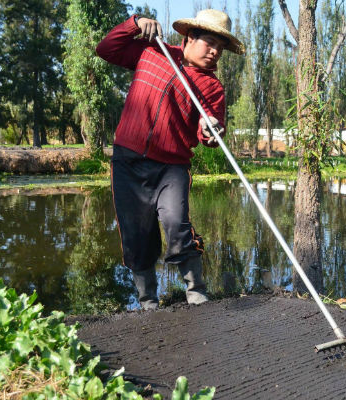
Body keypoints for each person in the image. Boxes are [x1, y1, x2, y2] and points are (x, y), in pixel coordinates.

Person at [96, 9, 245, 310]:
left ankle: (196, 288)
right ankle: (148, 300)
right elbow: (106, 49)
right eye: (210, 43)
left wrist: (211, 130)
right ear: (190, 37)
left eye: (221, 48)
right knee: (136, 232)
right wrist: (134, 24)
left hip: (172, 167)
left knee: (177, 224)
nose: (216, 52)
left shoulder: (212, 87)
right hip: (128, 161)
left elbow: (212, 136)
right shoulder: (154, 53)